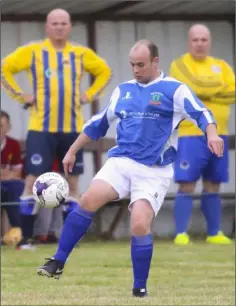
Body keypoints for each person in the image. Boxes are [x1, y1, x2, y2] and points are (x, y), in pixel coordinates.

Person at [36, 39, 223, 297]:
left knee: (139, 224)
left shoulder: (175, 90)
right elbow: (98, 123)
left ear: (155, 62)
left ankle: (139, 288)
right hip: (121, 162)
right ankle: (57, 261)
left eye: (141, 65)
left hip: (153, 171)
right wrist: (72, 150)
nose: (136, 70)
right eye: (132, 65)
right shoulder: (123, 90)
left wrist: (212, 135)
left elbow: (203, 114)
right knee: (89, 198)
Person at [1, 9, 112, 249]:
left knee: (72, 183)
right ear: (47, 27)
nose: (59, 27)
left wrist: (89, 95)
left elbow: (105, 72)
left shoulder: (81, 54)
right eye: (54, 23)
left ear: (70, 26)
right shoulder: (33, 52)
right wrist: (21, 95)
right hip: (41, 129)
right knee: (31, 182)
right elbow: (4, 68)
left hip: (72, 129)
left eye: (63, 23)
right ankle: (27, 239)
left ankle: (70, 238)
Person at [169, 24, 235, 245]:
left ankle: (214, 233)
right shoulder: (180, 64)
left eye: (204, 40)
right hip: (191, 134)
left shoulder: (221, 65)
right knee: (187, 183)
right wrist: (217, 90)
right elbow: (187, 90)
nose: (199, 44)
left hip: (220, 134)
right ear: (189, 42)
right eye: (195, 39)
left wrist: (204, 93)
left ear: (210, 42)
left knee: (213, 183)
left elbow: (233, 92)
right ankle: (181, 233)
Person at [0, 111, 23, 246]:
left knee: (18, 186)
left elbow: (17, 173)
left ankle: (17, 233)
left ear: (8, 127)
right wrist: (6, 173)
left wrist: (5, 174)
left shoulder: (13, 144)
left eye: (1, 126)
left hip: (8, 185)